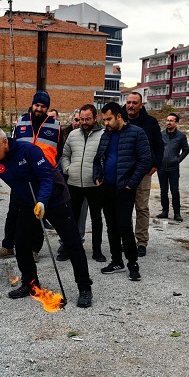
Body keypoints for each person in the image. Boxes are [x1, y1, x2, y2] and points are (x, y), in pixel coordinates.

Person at [0, 127, 94, 308]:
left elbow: (46, 178)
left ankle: (85, 288)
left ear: (4, 142)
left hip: (54, 198)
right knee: (21, 242)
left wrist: (42, 201)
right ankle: (30, 283)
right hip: (28, 202)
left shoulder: (29, 151)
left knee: (72, 243)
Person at [0, 91, 59, 260]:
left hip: (41, 176)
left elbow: (57, 151)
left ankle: (34, 249)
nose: (39, 108)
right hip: (21, 175)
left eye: (43, 106)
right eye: (37, 105)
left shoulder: (55, 125)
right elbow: (12, 146)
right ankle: (8, 246)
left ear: (47, 108)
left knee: (38, 214)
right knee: (13, 211)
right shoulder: (22, 121)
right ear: (32, 105)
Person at [93, 101, 152, 281]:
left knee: (124, 225)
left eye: (109, 119)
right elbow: (98, 158)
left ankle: (132, 263)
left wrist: (131, 183)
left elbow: (145, 160)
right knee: (111, 226)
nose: (106, 123)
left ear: (119, 116)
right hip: (107, 187)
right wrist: (98, 176)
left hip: (125, 188)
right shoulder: (106, 135)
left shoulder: (136, 133)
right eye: (104, 120)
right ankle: (116, 260)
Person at [59, 103, 106, 262]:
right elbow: (64, 155)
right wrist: (67, 169)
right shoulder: (73, 135)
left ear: (95, 118)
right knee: (70, 219)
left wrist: (102, 175)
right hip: (74, 184)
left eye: (87, 119)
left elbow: (107, 158)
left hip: (95, 185)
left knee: (96, 219)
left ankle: (97, 250)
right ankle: (68, 248)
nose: (84, 122)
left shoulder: (104, 135)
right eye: (81, 119)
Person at [122, 92, 163, 257]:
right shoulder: (120, 119)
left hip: (144, 172)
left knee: (141, 208)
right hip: (124, 171)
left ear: (141, 105)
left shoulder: (150, 122)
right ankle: (126, 240)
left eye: (134, 103)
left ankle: (141, 242)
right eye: (129, 102)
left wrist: (156, 165)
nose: (131, 106)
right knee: (124, 208)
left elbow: (159, 146)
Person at [156, 112, 189, 222]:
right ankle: (165, 211)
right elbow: (156, 149)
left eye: (171, 120)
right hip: (161, 168)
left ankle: (177, 213)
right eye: (167, 120)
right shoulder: (161, 135)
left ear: (176, 123)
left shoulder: (181, 136)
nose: (168, 122)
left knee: (175, 190)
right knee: (163, 190)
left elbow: (186, 150)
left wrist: (177, 160)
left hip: (173, 168)